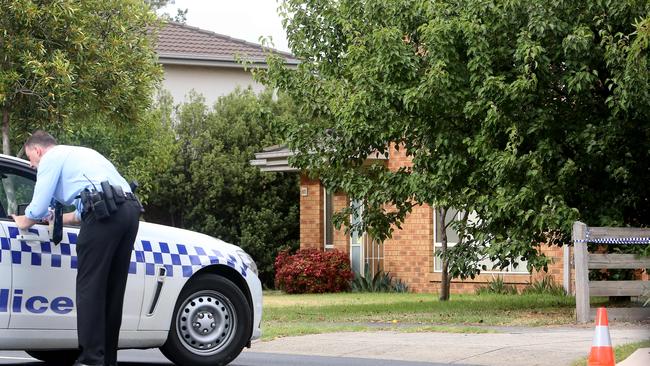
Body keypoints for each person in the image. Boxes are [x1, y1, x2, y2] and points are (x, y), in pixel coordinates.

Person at [12, 130, 141, 366]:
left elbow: (37, 206)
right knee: (112, 290)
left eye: (31, 160)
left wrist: (24, 219)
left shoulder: (51, 158)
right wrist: (56, 217)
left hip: (105, 215)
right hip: (129, 211)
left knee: (90, 288)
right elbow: (83, 212)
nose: (32, 166)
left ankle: (91, 359)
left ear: (38, 150)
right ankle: (106, 359)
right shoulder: (81, 155)